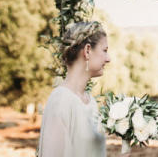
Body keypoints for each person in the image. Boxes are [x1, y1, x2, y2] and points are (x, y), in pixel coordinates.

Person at [38, 21, 111, 157]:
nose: (108, 59)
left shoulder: (91, 102)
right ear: (88, 50)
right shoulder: (61, 100)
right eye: (105, 50)